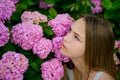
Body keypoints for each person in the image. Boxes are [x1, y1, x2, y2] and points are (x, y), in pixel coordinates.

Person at [60, 14, 117, 80]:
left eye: (76, 37)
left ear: (92, 48)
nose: (65, 38)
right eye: (70, 30)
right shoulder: (67, 69)